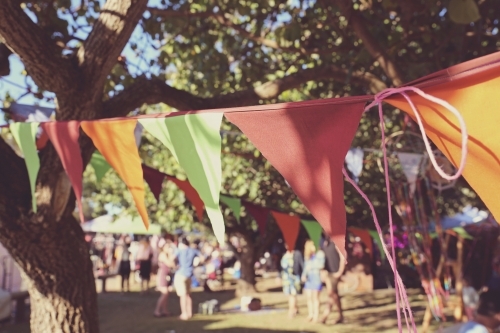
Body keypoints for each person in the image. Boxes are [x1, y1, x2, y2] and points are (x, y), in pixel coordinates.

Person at [174, 236, 203, 320]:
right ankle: (189, 312)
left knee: (182, 295)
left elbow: (172, 258)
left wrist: (175, 266)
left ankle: (184, 313)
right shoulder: (193, 250)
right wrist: (197, 264)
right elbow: (202, 257)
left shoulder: (179, 251)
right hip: (189, 274)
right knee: (188, 295)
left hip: (180, 274)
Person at [320, 236, 345, 324]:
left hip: (335, 273)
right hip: (328, 273)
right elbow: (324, 258)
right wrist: (322, 271)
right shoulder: (325, 242)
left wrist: (340, 272)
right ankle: (341, 316)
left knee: (331, 294)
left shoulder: (337, 242)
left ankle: (325, 315)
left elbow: (343, 257)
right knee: (335, 295)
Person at [301, 240, 325, 323]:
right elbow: (305, 267)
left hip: (316, 277)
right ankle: (310, 314)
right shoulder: (308, 256)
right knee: (309, 297)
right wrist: (304, 275)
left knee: (315, 298)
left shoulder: (320, 254)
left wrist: (311, 266)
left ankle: (316, 316)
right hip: (309, 279)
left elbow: (321, 265)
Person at [281, 244, 304, 318]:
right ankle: (295, 308)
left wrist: (303, 275)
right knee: (289, 295)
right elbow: (282, 268)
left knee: (293, 295)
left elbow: (302, 264)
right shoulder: (284, 255)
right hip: (286, 278)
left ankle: (291, 311)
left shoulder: (297, 254)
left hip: (294, 277)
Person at [154, 242, 175, 317]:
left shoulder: (168, 255)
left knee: (167, 294)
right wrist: (172, 259)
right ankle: (157, 310)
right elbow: (170, 264)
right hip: (162, 275)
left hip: (167, 275)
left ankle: (165, 310)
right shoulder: (162, 255)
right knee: (164, 293)